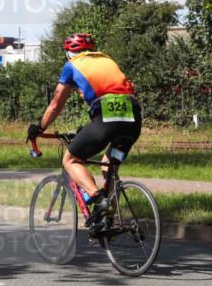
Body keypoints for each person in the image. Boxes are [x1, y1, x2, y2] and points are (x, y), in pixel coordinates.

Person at [27, 33, 141, 225]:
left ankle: (98, 199)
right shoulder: (106, 59)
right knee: (109, 164)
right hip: (133, 118)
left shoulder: (72, 65)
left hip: (105, 119)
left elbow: (56, 104)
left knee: (70, 159)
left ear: (69, 53)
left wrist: (39, 128)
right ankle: (109, 222)